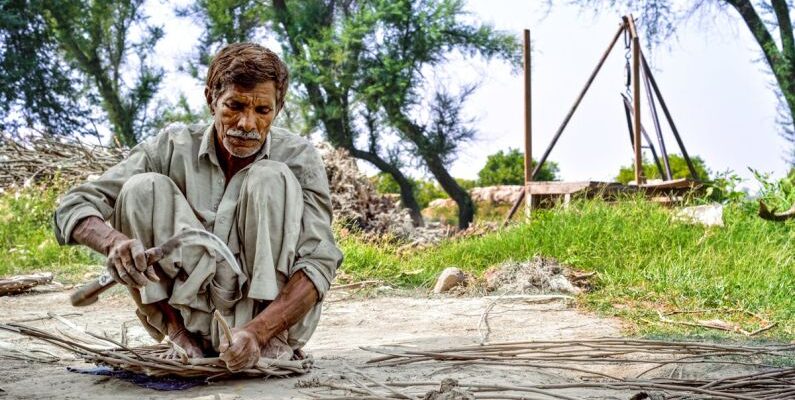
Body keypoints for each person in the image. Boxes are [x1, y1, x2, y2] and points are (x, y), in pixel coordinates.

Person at [53, 43, 343, 371]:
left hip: (269, 327)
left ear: (278, 108)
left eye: (263, 111)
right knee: (141, 189)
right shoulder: (171, 147)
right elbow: (71, 208)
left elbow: (319, 262)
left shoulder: (299, 158)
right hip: (189, 320)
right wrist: (115, 244)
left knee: (270, 177)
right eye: (234, 106)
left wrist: (258, 332)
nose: (248, 123)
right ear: (211, 99)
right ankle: (181, 337)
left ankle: (266, 343)